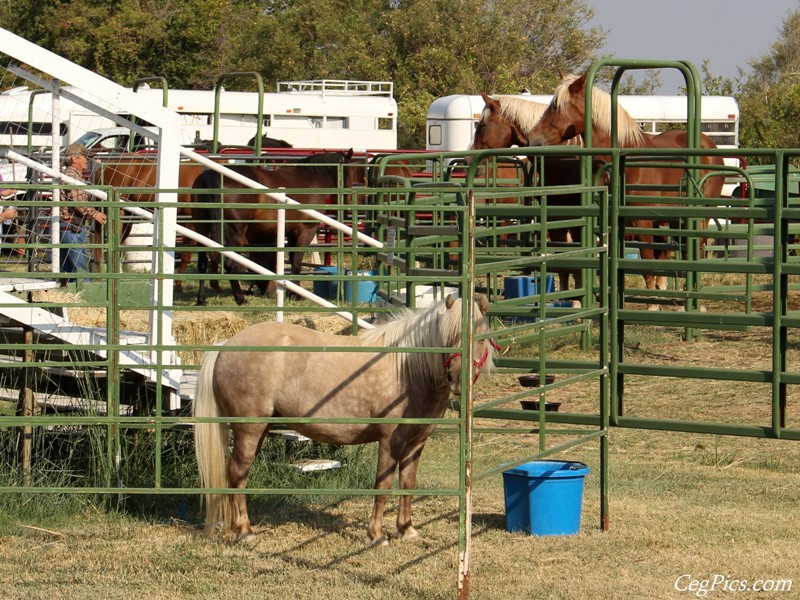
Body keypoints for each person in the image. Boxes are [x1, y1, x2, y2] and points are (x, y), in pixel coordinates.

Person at [59, 143, 107, 281]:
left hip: (71, 226)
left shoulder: (72, 175)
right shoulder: (72, 177)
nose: (87, 160)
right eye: (85, 157)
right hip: (72, 227)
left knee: (69, 270)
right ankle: (85, 298)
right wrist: (95, 214)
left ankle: (69, 296)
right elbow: (78, 202)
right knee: (80, 269)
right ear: (75, 159)